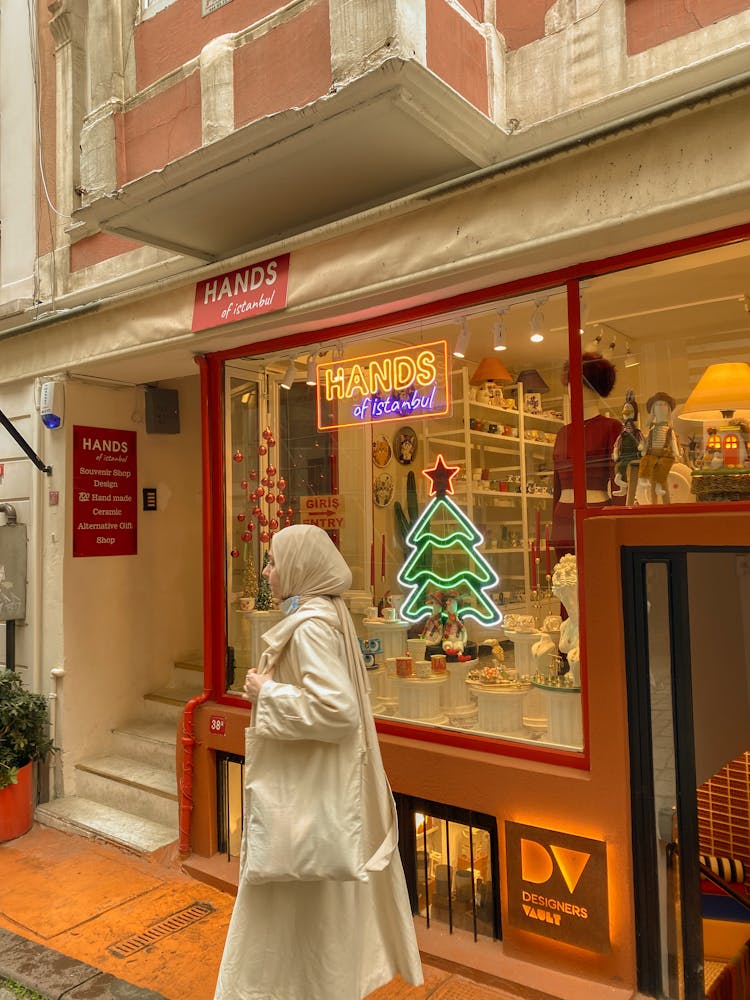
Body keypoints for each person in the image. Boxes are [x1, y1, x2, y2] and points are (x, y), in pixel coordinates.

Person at [214, 524, 423, 1000]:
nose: (268, 571)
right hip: (321, 802)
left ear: (300, 567)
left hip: (303, 804)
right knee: (317, 919)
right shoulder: (329, 617)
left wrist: (267, 693)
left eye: (273, 561)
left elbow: (337, 710)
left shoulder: (310, 626)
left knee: (295, 916)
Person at [551, 353, 623, 559]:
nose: (573, 390)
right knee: (566, 579)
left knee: (597, 571)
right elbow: (557, 484)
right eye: (570, 384)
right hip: (562, 516)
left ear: (594, 388)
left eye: (579, 384)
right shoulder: (563, 432)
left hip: (596, 512)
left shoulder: (611, 428)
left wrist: (620, 519)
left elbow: (619, 481)